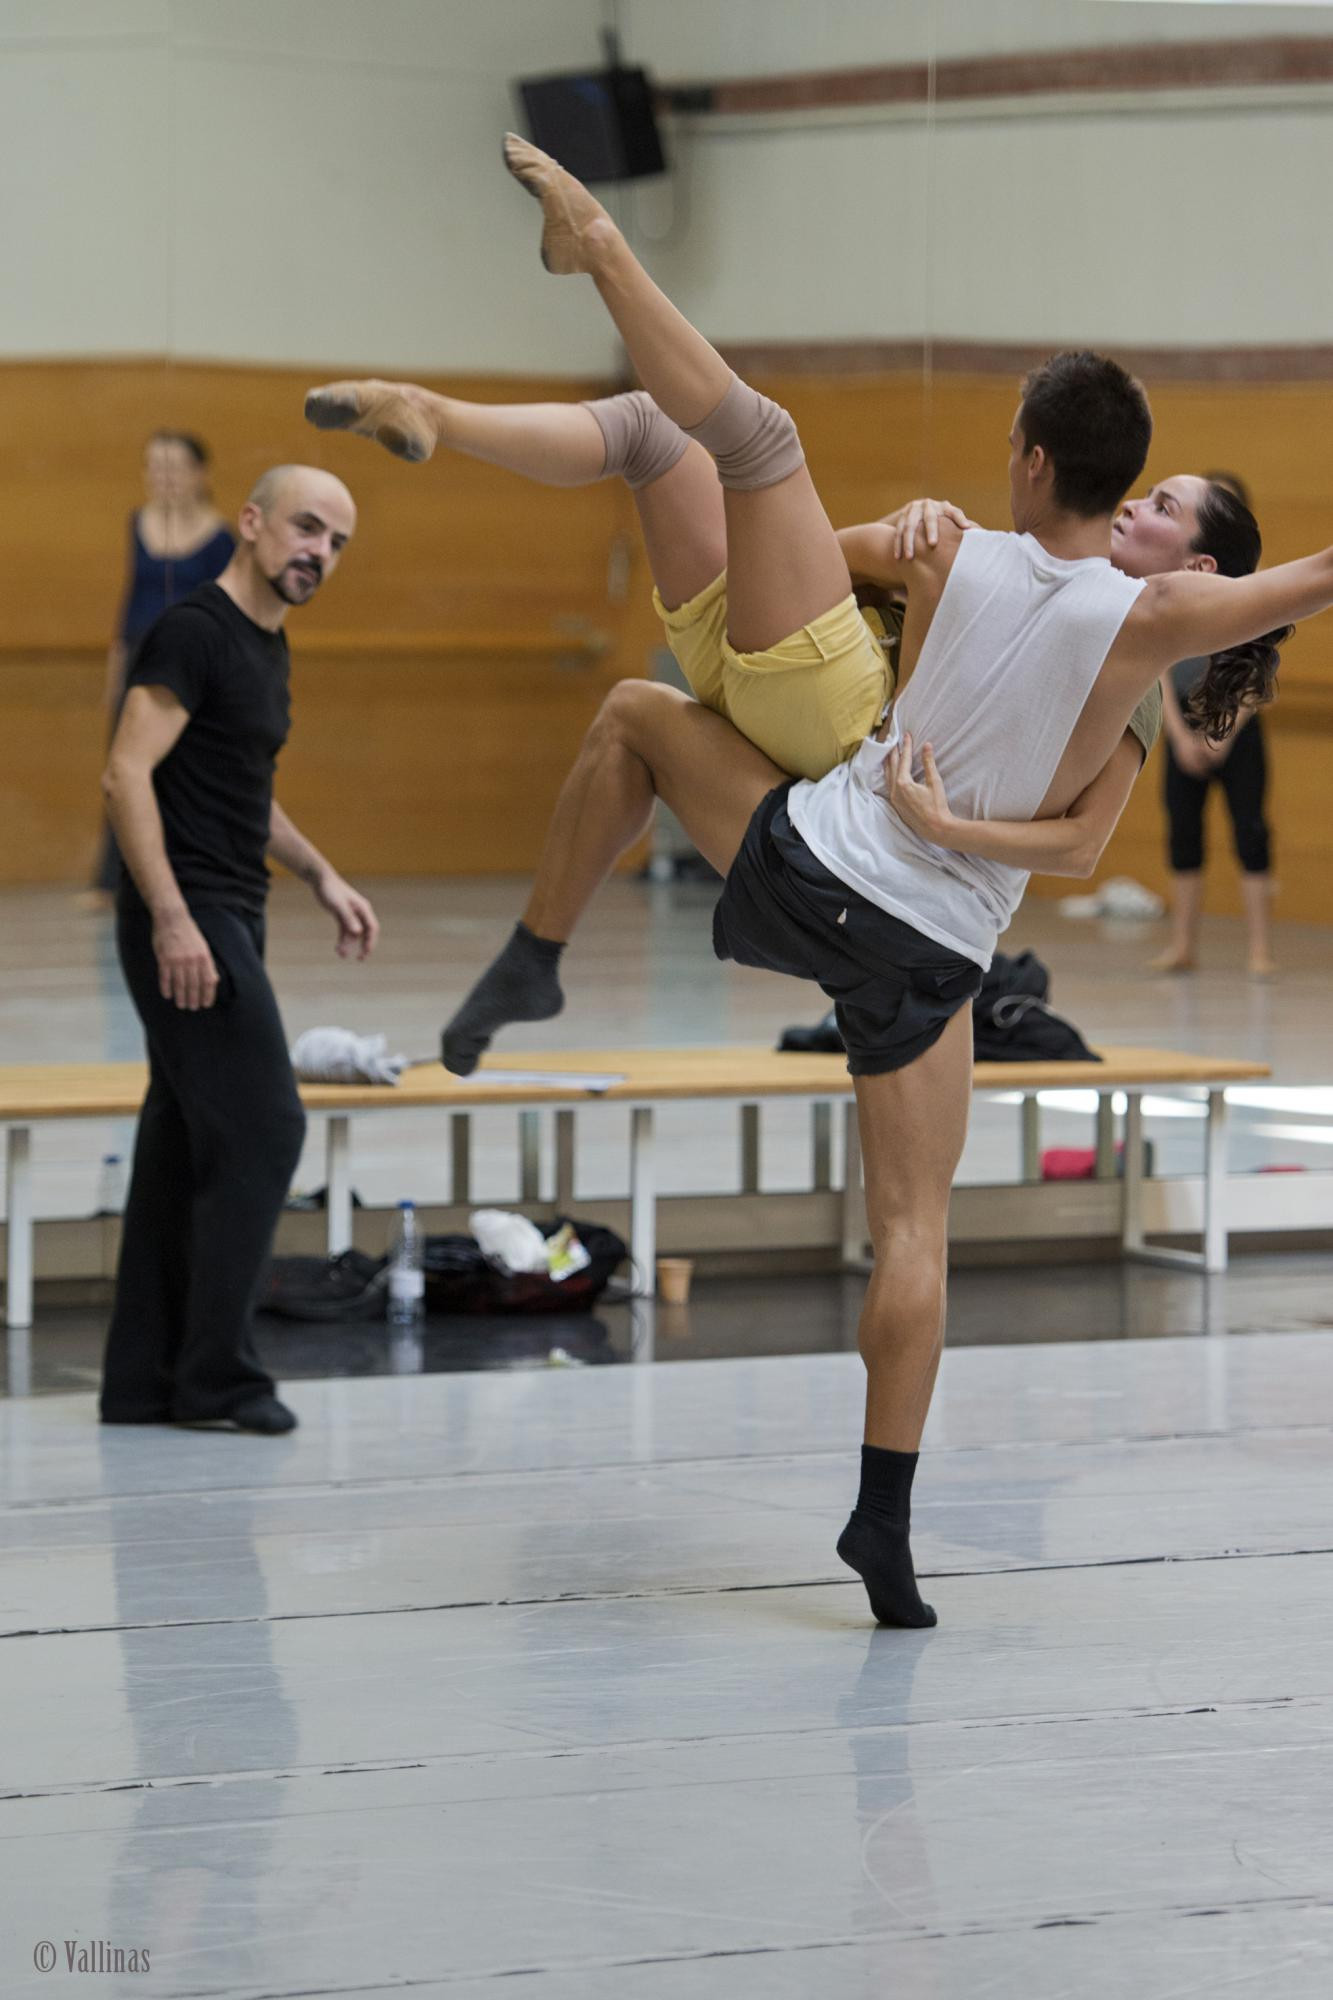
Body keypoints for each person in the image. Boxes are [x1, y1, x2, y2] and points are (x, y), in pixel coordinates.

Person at [328, 139, 1322, 1625]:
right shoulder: (1142, 627)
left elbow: (808, 540)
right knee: (917, 1235)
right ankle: (883, 1524)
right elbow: (1303, 584)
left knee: (646, 695)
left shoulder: (973, 555)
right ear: (1115, 488)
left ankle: (602, 251)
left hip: (821, 860)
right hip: (930, 962)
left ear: (1031, 459)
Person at [99, 465, 378, 1435]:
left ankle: (142, 1383)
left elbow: (239, 784)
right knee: (266, 1129)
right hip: (189, 916)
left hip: (233, 906)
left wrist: (319, 873)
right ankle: (219, 1377)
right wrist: (171, 916)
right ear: (251, 523)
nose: (320, 553)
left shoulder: (264, 646)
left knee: (181, 1142)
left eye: (337, 542)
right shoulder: (194, 631)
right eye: (307, 527)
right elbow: (125, 773)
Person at [87, 432, 235, 902]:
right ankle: (114, 879)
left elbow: (226, 613)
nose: (162, 477)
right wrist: (116, 666)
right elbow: (132, 598)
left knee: (188, 770)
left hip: (191, 667)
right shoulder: (138, 523)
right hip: (138, 659)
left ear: (199, 474)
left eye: (173, 466)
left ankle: (192, 872)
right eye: (154, 466)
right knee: (125, 768)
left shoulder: (221, 537)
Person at [1143, 471, 1277, 977]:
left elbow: (1259, 668)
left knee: (1251, 831)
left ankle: (1260, 949)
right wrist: (1178, 734)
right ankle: (1183, 944)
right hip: (1184, 720)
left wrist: (1223, 733)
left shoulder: (1259, 591)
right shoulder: (1178, 584)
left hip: (1236, 726)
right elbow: (1158, 660)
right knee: (1183, 832)